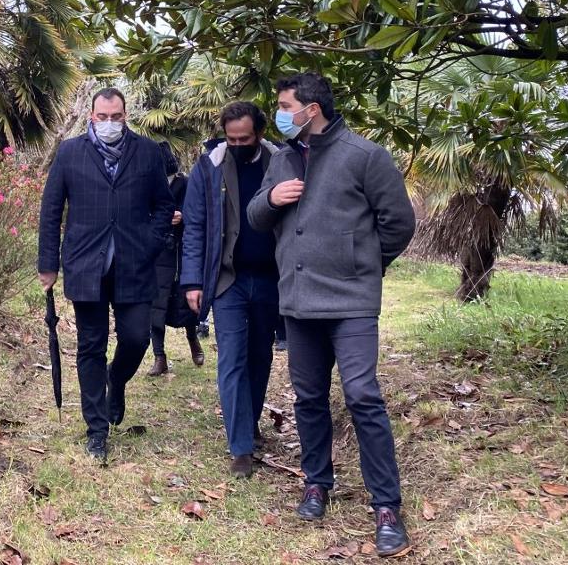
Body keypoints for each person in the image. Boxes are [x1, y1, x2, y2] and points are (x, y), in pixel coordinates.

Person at [248, 73, 416, 558]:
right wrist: (270, 199)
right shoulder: (281, 159)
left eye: (284, 105)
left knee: (363, 395)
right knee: (308, 397)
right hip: (298, 300)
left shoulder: (365, 156)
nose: (279, 113)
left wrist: (362, 265)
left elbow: (398, 223)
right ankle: (317, 483)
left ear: (312, 108)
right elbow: (259, 217)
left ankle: (387, 506)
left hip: (352, 302)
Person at [38, 87, 174, 464]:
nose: (110, 123)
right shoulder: (70, 152)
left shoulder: (147, 152)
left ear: (125, 115)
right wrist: (48, 263)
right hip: (86, 264)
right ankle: (96, 429)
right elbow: (51, 211)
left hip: (135, 262)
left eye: (117, 117)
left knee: (136, 338)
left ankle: (117, 380)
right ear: (92, 116)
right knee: (90, 346)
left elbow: (164, 206)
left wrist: (150, 243)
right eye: (103, 117)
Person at [179, 102, 280, 478]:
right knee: (232, 359)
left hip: (271, 279)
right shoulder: (209, 167)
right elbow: (194, 227)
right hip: (227, 280)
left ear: (260, 133)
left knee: (260, 356)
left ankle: (249, 422)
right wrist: (191, 280)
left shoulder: (280, 162)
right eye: (230, 138)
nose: (237, 144)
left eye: (245, 138)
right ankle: (240, 447)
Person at [147, 141, 204, 377]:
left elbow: (198, 213)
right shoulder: (147, 186)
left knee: (185, 299)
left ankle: (193, 340)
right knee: (155, 305)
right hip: (157, 252)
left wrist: (183, 216)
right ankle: (159, 357)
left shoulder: (187, 183)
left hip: (181, 252)